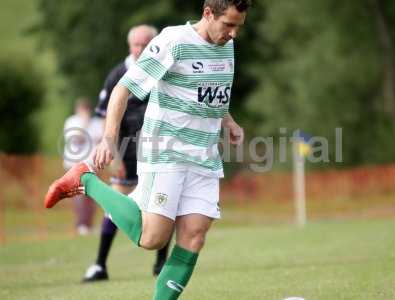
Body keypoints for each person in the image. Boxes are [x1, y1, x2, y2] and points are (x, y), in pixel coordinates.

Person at [45, 1, 250, 299]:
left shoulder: (226, 46)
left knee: (194, 237)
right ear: (208, 14)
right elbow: (123, 88)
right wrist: (109, 139)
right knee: (152, 238)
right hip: (166, 150)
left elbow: (212, 94)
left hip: (204, 156)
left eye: (238, 26)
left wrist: (229, 121)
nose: (233, 34)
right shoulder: (174, 41)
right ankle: (85, 180)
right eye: (228, 25)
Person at [82, 24, 171, 282]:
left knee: (164, 204)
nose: (142, 49)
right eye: (137, 44)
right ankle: (100, 265)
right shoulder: (118, 74)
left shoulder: (164, 70)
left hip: (158, 150)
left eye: (147, 44)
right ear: (129, 45)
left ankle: (161, 264)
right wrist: (113, 153)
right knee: (116, 207)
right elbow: (102, 117)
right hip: (125, 152)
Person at [63, 98, 103, 235]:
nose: (85, 112)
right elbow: (77, 139)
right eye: (83, 109)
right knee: (79, 195)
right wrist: (84, 124)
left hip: (91, 165)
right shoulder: (71, 122)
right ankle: (81, 224)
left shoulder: (96, 123)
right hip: (75, 165)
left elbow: (101, 140)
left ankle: (89, 224)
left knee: (92, 196)